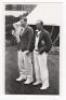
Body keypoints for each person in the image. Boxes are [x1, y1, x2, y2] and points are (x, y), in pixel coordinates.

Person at [30, 20, 52, 90]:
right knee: (36, 67)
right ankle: (38, 80)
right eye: (36, 24)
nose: (36, 25)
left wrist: (42, 50)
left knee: (43, 68)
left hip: (42, 53)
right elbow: (33, 42)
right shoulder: (36, 32)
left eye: (38, 24)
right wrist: (31, 49)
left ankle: (46, 84)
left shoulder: (46, 33)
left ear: (41, 25)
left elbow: (49, 44)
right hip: (35, 52)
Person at [12, 16, 34, 84]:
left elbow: (31, 40)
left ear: (25, 21)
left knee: (28, 64)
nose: (20, 23)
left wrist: (29, 49)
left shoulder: (30, 29)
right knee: (20, 63)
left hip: (26, 49)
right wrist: (15, 34)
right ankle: (23, 76)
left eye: (22, 21)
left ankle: (30, 78)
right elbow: (19, 39)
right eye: (20, 21)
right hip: (20, 49)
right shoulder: (20, 29)